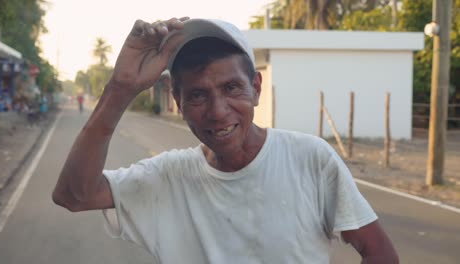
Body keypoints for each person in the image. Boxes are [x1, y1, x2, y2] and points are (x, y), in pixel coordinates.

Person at [53, 17, 398, 263]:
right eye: (198, 95)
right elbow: (73, 195)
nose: (218, 112)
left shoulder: (310, 158)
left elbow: (378, 252)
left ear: (256, 89)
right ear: (179, 102)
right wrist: (119, 89)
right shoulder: (168, 177)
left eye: (232, 88)